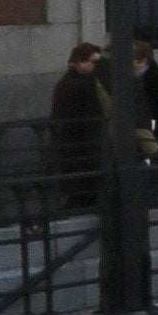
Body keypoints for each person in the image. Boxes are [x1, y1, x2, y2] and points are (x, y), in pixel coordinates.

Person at [47, 42, 110, 208]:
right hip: (80, 149)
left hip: (76, 149)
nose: (95, 66)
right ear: (79, 62)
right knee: (84, 196)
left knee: (82, 196)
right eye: (93, 62)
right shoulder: (81, 84)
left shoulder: (70, 82)